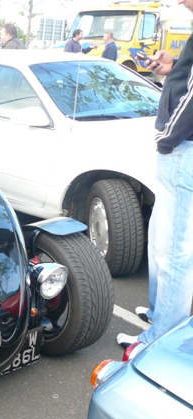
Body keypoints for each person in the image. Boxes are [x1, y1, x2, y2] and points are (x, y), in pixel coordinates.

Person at [117, 0, 193, 350]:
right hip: (179, 150)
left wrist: (166, 138)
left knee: (175, 250)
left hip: (183, 150)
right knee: (162, 240)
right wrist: (172, 66)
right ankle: (160, 315)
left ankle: (160, 340)